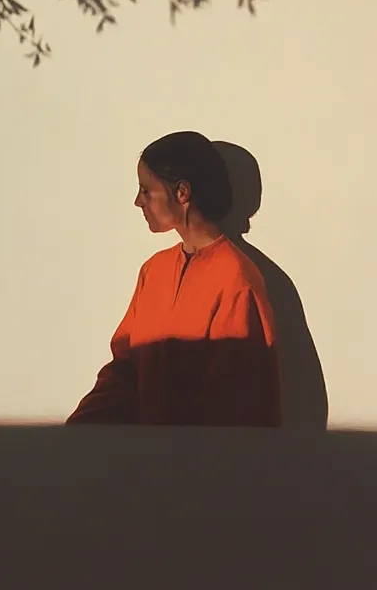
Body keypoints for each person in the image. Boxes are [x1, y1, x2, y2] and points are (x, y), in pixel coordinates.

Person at [65, 131, 281, 426]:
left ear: (182, 193)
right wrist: (73, 435)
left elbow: (235, 406)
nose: (137, 202)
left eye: (146, 190)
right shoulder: (154, 271)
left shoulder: (236, 281)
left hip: (195, 467)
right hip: (145, 463)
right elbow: (125, 371)